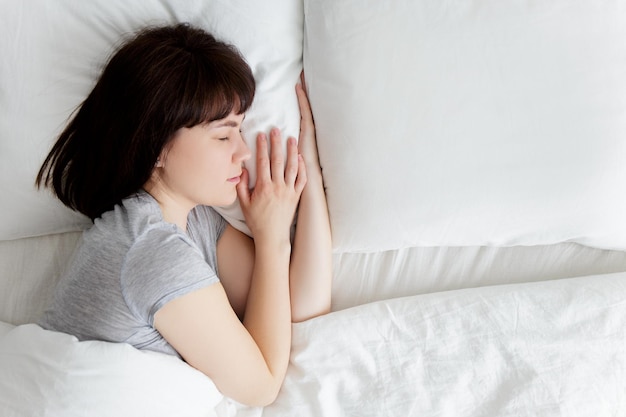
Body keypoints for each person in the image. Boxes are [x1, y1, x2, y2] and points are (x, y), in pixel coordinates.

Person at [35, 23, 332, 407]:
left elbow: (300, 304)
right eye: (224, 136)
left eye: (240, 131)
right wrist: (272, 239)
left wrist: (310, 159)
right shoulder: (150, 250)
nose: (242, 152)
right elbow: (260, 387)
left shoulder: (193, 221)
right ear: (155, 146)